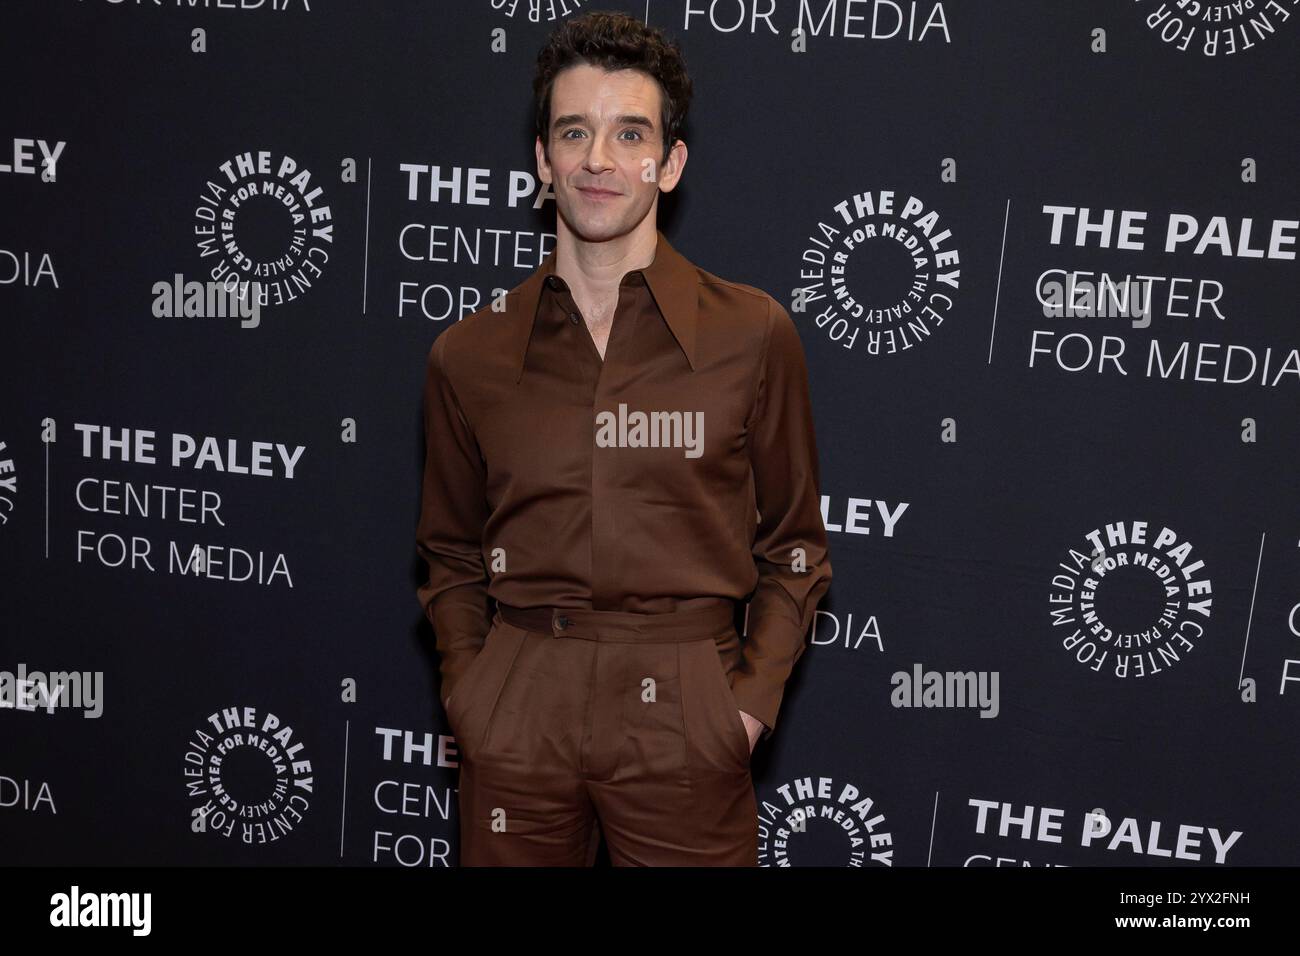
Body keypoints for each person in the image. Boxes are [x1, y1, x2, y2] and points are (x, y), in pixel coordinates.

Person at [416, 10, 831, 866]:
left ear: (670, 163)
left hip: (687, 701)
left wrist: (743, 705)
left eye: (629, 133)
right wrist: (475, 692)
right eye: (575, 132)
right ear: (543, 159)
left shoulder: (753, 334)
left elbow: (794, 546)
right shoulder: (469, 352)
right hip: (520, 700)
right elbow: (450, 552)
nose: (599, 160)